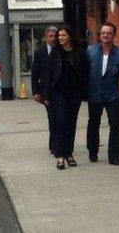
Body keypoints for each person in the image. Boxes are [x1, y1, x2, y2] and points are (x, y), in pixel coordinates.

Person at [42, 25, 88, 170]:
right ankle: (60, 155)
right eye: (59, 36)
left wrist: (85, 92)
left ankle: (69, 153)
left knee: (71, 123)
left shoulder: (79, 51)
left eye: (63, 35)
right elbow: (47, 75)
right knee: (61, 122)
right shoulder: (55, 53)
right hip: (58, 93)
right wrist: (46, 95)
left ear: (70, 36)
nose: (60, 38)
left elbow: (84, 72)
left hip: (74, 93)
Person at [86, 22, 119, 166]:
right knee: (94, 123)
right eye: (103, 33)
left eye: (109, 33)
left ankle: (114, 155)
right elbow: (83, 72)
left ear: (114, 35)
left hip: (112, 95)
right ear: (100, 35)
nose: (105, 35)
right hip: (94, 94)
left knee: (115, 125)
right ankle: (93, 151)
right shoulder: (90, 51)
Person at [32, 26, 58, 155]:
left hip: (60, 90)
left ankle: (59, 143)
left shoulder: (61, 50)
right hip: (46, 91)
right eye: (50, 36)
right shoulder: (39, 52)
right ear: (45, 37)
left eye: (55, 36)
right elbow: (35, 73)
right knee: (52, 118)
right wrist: (35, 92)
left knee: (61, 118)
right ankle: (53, 145)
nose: (53, 39)